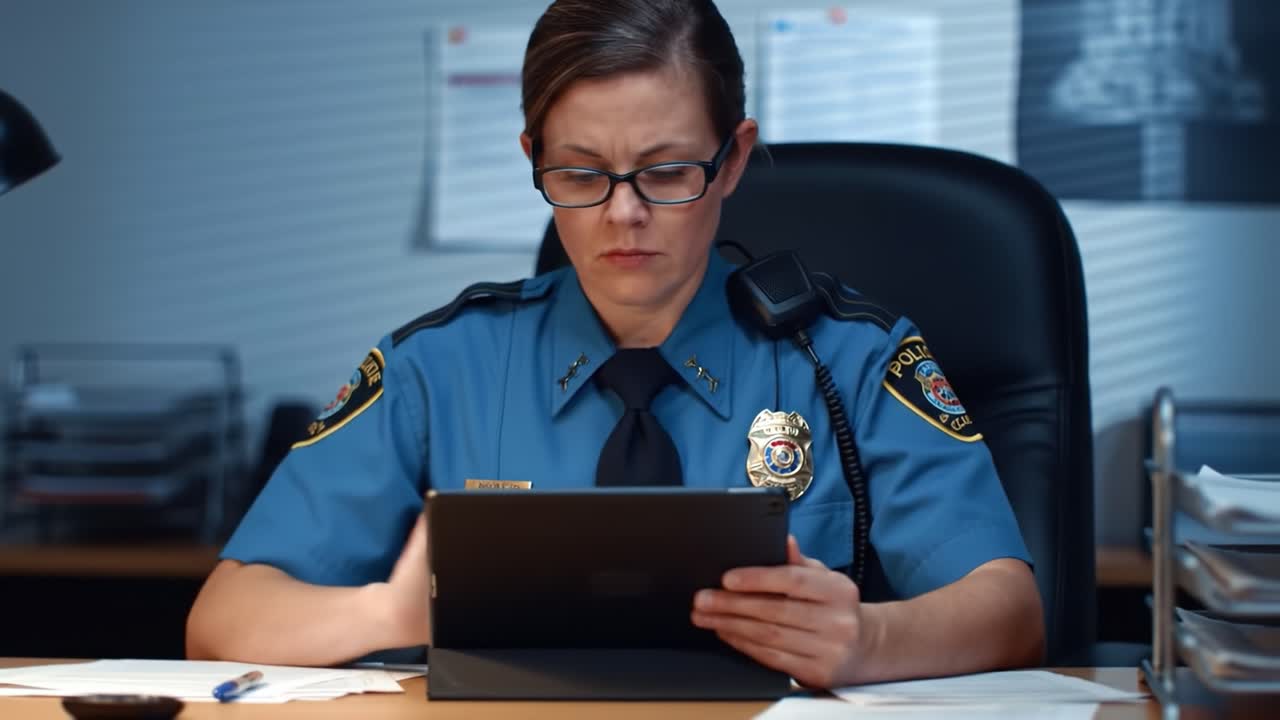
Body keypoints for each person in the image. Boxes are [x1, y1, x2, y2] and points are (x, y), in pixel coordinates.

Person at [187, 0, 1044, 688]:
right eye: (581, 174)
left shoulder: (850, 357)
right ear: (534, 157)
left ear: (733, 160)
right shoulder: (439, 366)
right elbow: (224, 617)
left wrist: (869, 636)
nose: (623, 215)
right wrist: (389, 616)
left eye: (667, 172)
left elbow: (1010, 609)